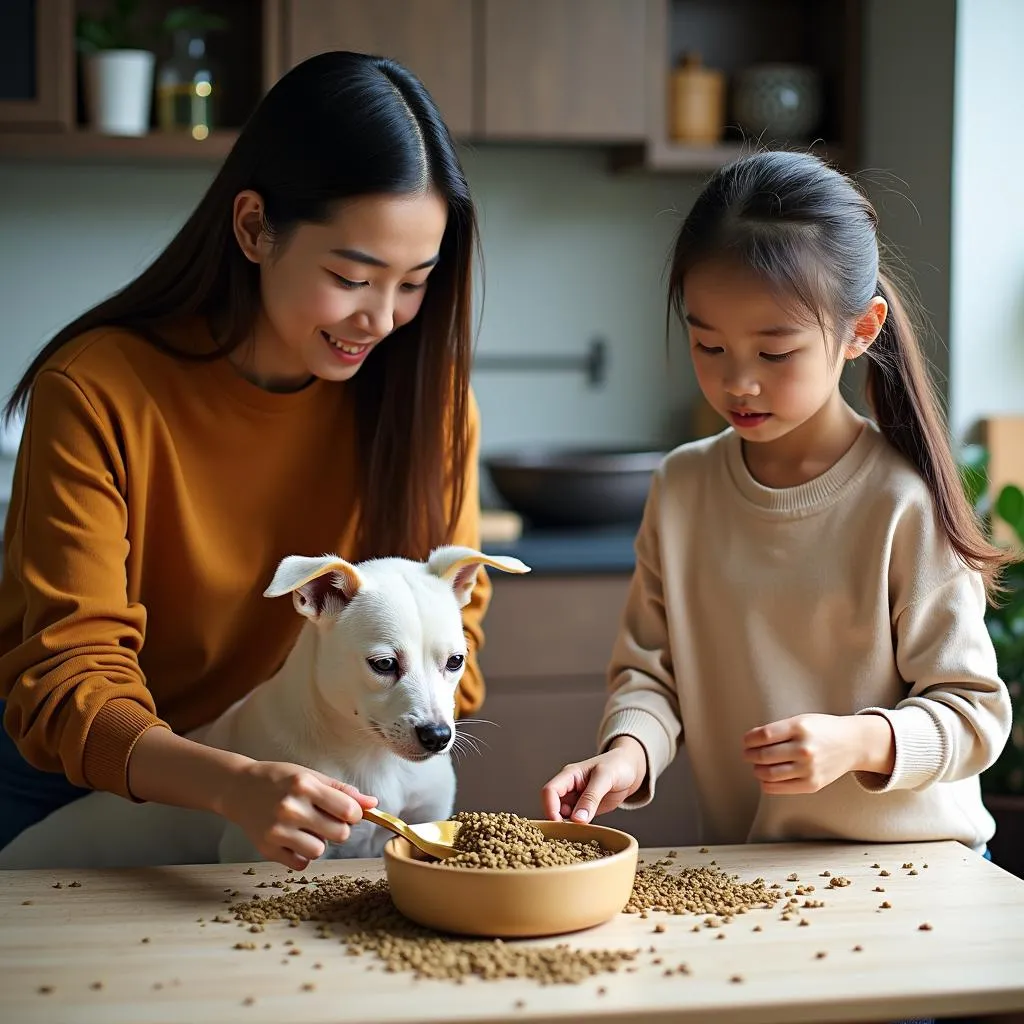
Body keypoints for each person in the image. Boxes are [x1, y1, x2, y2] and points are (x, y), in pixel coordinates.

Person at [0, 51, 491, 869]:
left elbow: (452, 648)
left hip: (318, 780)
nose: (381, 318)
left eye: (414, 284)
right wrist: (234, 783)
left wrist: (336, 751)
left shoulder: (428, 407)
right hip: (91, 784)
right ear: (255, 227)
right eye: (350, 276)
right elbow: (69, 680)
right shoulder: (97, 390)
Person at [541, 150, 1013, 860]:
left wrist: (860, 740)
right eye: (708, 344)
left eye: (775, 353)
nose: (738, 383)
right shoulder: (683, 489)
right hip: (758, 868)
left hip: (918, 867)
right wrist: (627, 754)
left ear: (861, 329)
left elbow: (976, 713)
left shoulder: (898, 501)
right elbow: (652, 673)